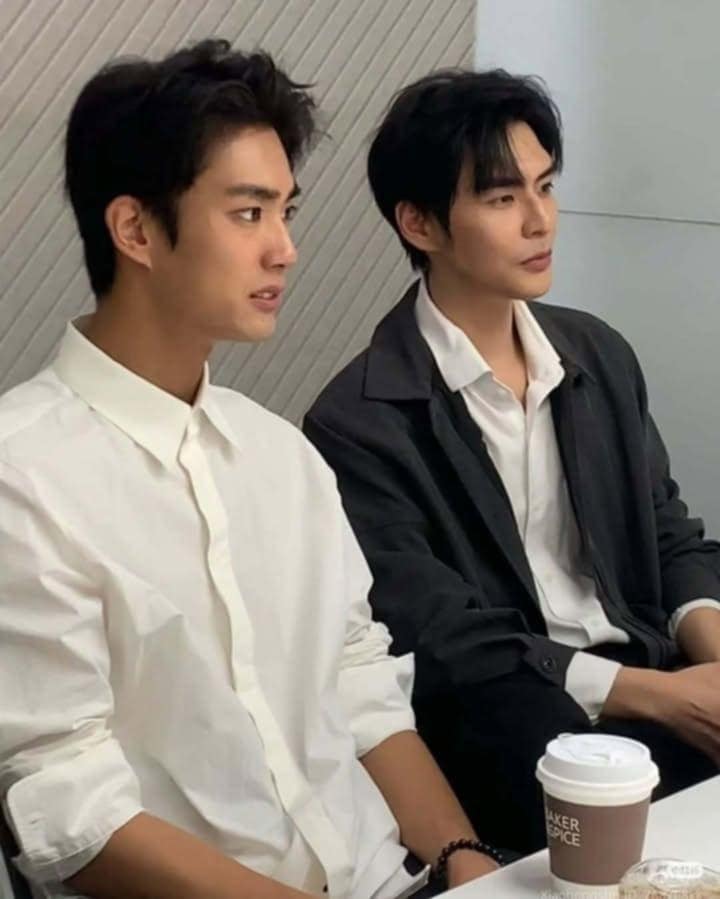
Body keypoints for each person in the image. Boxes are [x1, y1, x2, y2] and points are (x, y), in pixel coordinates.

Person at [0, 43, 501, 899]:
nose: (285, 249)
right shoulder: (25, 474)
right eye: (248, 212)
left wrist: (467, 860)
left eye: (286, 210)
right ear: (135, 230)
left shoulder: (283, 455)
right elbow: (69, 802)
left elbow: (359, 683)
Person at [303, 69, 720, 854]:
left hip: (647, 669)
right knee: (549, 749)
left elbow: (668, 533)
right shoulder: (358, 420)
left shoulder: (596, 353)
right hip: (510, 706)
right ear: (419, 223)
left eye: (546, 186)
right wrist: (661, 697)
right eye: (502, 198)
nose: (540, 220)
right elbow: (441, 635)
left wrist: (713, 662)